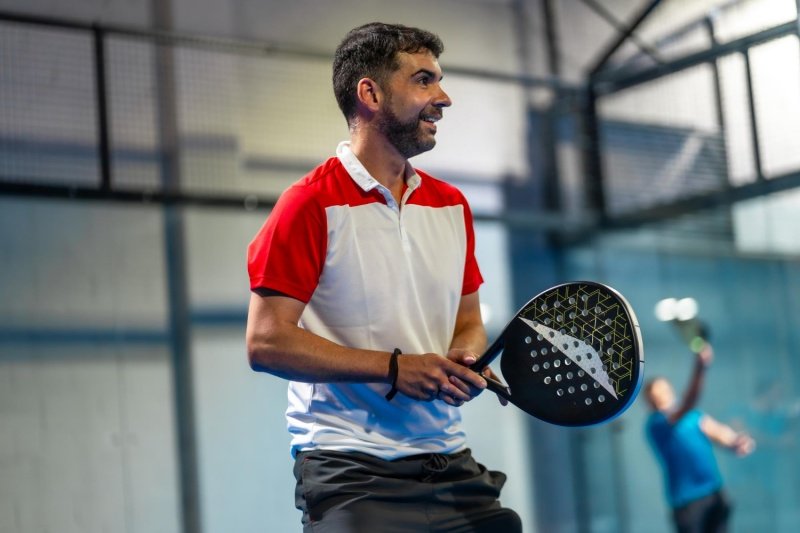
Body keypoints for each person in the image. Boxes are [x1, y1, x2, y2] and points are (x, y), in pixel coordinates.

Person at [245, 22, 521, 533]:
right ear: (369, 93)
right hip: (349, 465)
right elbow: (265, 342)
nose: (443, 98)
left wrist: (464, 356)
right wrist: (394, 369)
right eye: (423, 81)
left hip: (446, 456)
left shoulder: (452, 205)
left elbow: (467, 320)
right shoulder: (308, 204)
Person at [644, 343, 755, 533]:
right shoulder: (656, 424)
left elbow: (718, 432)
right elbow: (690, 400)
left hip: (715, 494)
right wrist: (700, 368)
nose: (663, 397)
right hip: (687, 504)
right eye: (657, 395)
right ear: (650, 402)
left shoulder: (694, 416)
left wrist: (736, 442)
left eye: (665, 391)